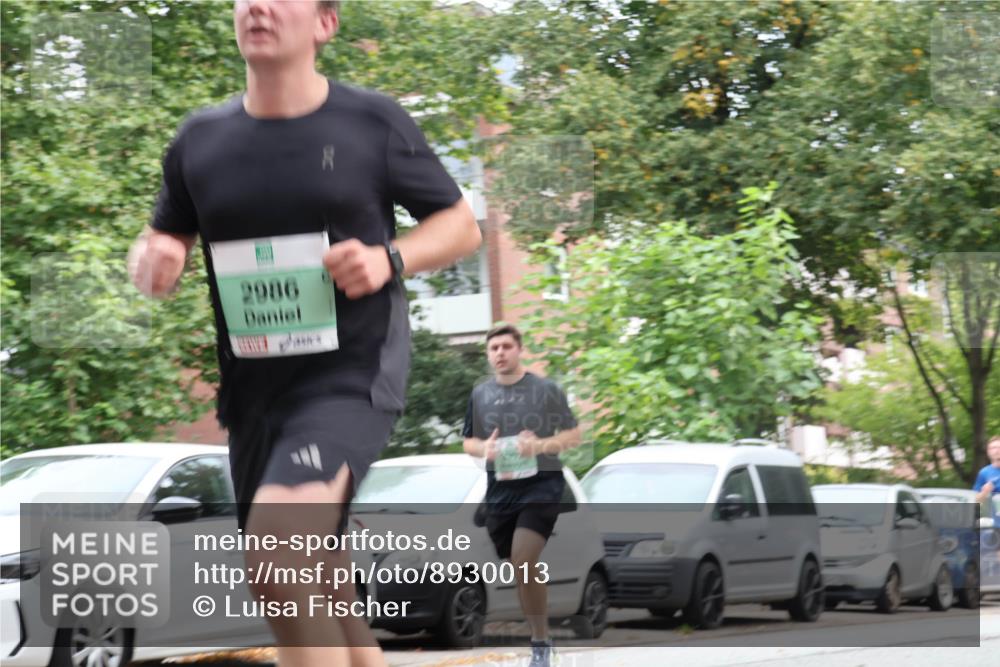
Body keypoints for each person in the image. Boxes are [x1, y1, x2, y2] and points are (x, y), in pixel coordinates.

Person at [128, 1, 480, 666]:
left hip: (351, 374)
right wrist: (153, 259)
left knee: (279, 556)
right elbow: (161, 239)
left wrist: (389, 258)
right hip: (254, 392)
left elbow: (461, 225)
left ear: (324, 24)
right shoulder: (200, 139)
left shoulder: (370, 122)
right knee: (321, 581)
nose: (258, 6)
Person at [462, 324, 582, 667]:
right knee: (519, 567)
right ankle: (540, 638)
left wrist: (540, 446)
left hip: (542, 485)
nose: (499, 353)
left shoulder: (545, 389)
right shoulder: (480, 395)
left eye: (506, 346)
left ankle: (540, 644)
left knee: (524, 559)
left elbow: (573, 435)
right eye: (493, 348)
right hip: (501, 491)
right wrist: (484, 448)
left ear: (519, 350)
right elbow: (468, 441)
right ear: (488, 355)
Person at [973, 435, 1000, 505]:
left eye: (999, 447)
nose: (997, 450)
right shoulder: (984, 473)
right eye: (994, 448)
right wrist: (984, 493)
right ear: (988, 452)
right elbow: (976, 501)